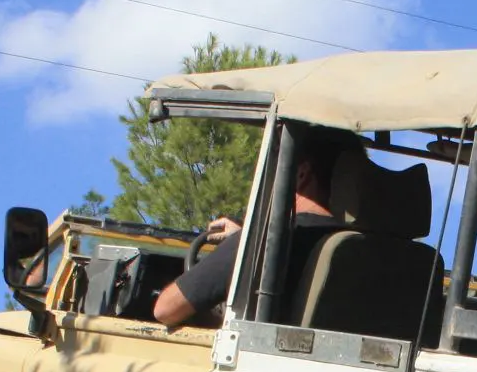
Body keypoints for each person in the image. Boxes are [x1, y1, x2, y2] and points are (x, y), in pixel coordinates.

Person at [153, 127, 359, 328]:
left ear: (301, 175)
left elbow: (165, 309)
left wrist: (246, 241)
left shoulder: (260, 245)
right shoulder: (366, 249)